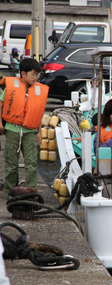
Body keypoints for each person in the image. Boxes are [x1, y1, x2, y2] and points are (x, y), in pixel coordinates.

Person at [0, 58, 48, 196]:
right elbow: (1, 105)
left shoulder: (37, 90)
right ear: (23, 74)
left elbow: (37, 112)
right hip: (12, 129)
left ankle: (31, 191)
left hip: (29, 131)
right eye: (33, 74)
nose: (35, 77)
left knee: (31, 164)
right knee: (11, 164)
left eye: (36, 75)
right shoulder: (11, 87)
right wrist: (0, 123)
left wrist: (39, 132)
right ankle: (10, 192)